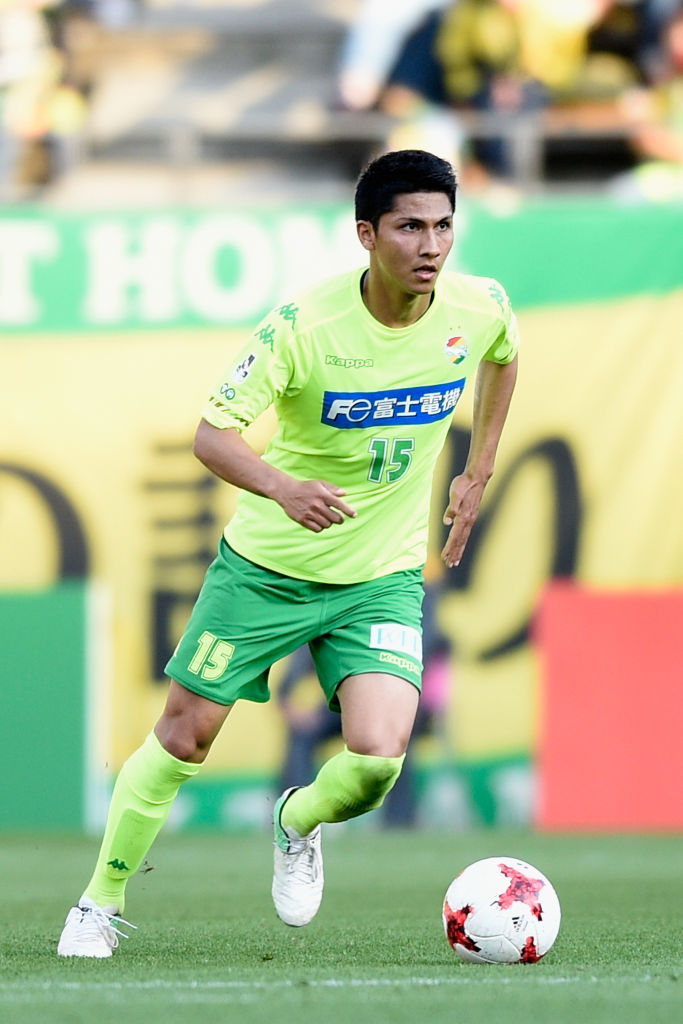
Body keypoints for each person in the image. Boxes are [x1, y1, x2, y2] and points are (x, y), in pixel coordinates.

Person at [57, 148, 519, 957]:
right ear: (366, 234)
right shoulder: (304, 326)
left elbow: (503, 358)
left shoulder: (477, 306)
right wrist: (282, 487)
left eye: (443, 226)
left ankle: (295, 820)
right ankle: (98, 903)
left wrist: (477, 470)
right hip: (267, 570)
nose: (430, 246)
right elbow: (212, 436)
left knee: (377, 761)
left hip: (379, 575)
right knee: (184, 736)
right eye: (409, 227)